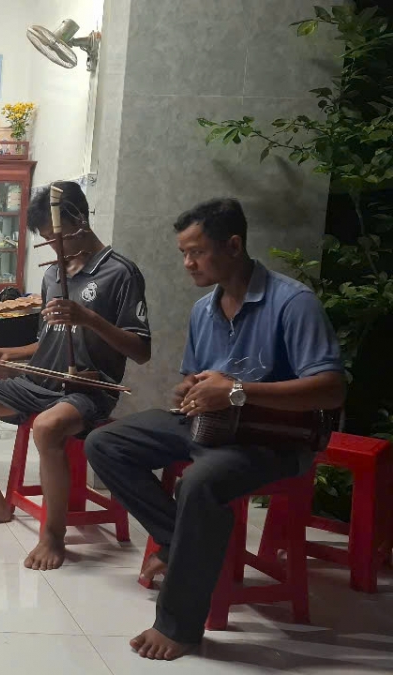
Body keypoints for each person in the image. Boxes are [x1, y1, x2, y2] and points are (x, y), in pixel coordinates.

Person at [84, 198, 345, 661]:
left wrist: (237, 391)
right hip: (210, 427)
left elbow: (331, 390)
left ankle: (179, 626)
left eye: (197, 252)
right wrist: (189, 388)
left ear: (234, 246)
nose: (188, 263)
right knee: (106, 442)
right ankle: (180, 541)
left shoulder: (292, 302)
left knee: (199, 483)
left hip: (271, 440)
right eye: (183, 253)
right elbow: (199, 376)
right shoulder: (204, 309)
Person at [0, 181, 152, 570]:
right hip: (36, 381)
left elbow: (141, 350)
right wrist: (10, 353)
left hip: (86, 390)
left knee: (47, 428)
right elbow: (50, 339)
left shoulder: (120, 272)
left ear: (80, 220)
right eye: (48, 240)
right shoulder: (54, 276)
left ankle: (53, 536)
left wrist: (89, 318)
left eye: (58, 238)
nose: (55, 248)